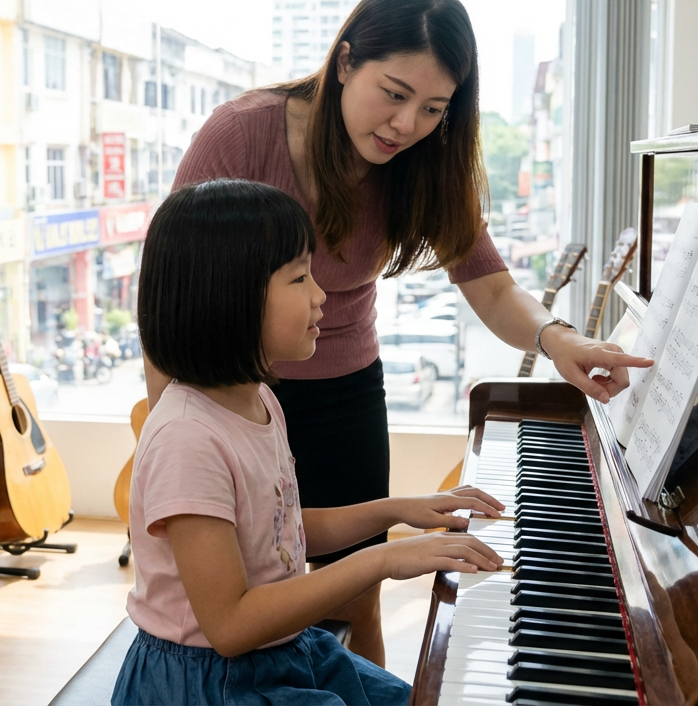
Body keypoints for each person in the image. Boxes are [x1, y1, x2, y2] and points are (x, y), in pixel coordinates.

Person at [152, 0, 651, 663]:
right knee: (244, 596)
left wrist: (559, 338)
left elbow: (493, 287)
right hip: (223, 390)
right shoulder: (244, 134)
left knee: (352, 597)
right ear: (346, 60)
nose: (405, 125)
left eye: (432, 108)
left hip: (343, 388)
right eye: (393, 93)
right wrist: (173, 436)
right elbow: (173, 283)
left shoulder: (428, 161)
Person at [115, 179, 504, 705]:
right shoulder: (188, 439)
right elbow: (229, 624)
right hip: (205, 681)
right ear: (229, 297)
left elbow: (282, 530)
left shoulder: (260, 401)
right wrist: (381, 561)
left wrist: (397, 510)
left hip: (275, 654)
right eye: (300, 277)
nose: (322, 296)